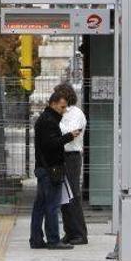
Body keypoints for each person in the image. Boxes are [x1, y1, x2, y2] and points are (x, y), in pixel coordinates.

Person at [31, 91, 80, 250]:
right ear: (53, 104)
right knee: (52, 206)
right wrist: (69, 136)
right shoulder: (49, 121)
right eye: (62, 107)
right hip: (50, 169)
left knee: (40, 206)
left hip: (43, 168)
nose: (64, 110)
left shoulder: (45, 119)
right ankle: (53, 240)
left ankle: (36, 239)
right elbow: (51, 144)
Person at [55, 83, 88, 245]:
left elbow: (70, 133)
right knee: (64, 196)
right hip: (61, 155)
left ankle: (80, 233)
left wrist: (55, 124)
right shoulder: (59, 113)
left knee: (73, 194)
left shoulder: (75, 113)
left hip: (72, 156)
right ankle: (69, 232)